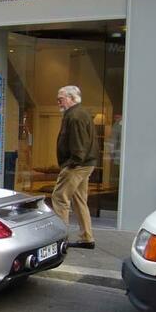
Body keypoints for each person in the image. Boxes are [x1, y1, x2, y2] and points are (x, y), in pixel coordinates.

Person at [52, 85, 99, 249]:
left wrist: (71, 163)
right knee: (79, 200)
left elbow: (79, 144)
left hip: (77, 165)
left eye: (61, 98)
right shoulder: (80, 113)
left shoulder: (75, 116)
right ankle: (87, 237)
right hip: (85, 164)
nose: (58, 101)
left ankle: (59, 239)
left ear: (72, 98)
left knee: (59, 198)